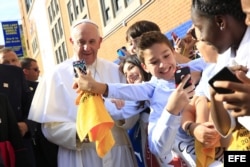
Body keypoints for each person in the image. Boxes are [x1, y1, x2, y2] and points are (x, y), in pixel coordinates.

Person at [73, 31, 195, 166]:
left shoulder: (190, 74)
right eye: (125, 73)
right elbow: (123, 98)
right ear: (146, 66)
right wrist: (96, 94)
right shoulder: (146, 96)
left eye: (131, 67)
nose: (129, 74)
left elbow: (210, 64)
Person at [28, 19, 138, 167]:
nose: (87, 47)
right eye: (81, 42)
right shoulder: (56, 75)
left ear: (99, 42)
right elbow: (49, 127)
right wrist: (82, 133)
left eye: (92, 41)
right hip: (79, 156)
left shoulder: (115, 70)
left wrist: (118, 115)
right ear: (72, 41)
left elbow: (134, 108)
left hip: (117, 153)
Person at [191, 0, 250, 151]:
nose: (201, 38)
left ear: (220, 22)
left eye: (200, 28)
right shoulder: (224, 59)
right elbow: (225, 129)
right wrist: (215, 95)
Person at [20, 57, 58, 167]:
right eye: (36, 69)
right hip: (37, 140)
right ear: (25, 71)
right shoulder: (26, 90)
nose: (39, 72)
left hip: (48, 138)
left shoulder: (40, 87)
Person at [0, 48, 35, 167]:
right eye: (6, 62)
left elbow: (34, 109)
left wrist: (26, 125)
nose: (11, 65)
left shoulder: (29, 87)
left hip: (22, 143)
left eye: (14, 60)